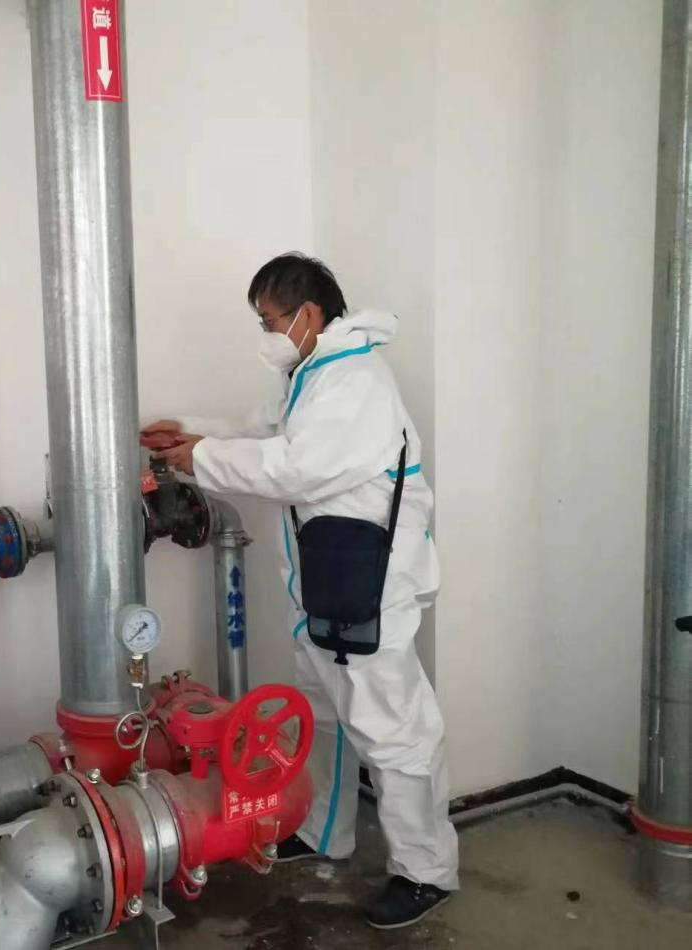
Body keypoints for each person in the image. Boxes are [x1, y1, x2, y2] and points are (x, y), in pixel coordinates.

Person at [142, 252, 458, 929]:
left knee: (393, 729)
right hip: (326, 580)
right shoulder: (311, 374)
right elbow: (263, 432)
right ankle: (321, 832)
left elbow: (296, 467)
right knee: (321, 715)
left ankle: (425, 871)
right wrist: (192, 434)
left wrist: (199, 458)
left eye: (270, 321)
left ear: (308, 314)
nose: (266, 334)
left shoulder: (356, 381)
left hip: (369, 587)